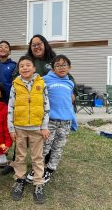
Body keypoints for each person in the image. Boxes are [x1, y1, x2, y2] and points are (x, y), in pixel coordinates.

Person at [2, 34, 76, 175]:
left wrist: (74, 93)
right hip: (25, 105)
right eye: (33, 44)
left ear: (45, 44)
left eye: (39, 43)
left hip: (47, 108)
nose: (36, 46)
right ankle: (15, 163)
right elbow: (16, 76)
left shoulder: (54, 60)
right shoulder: (27, 61)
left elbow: (68, 77)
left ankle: (45, 165)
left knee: (45, 138)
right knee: (21, 137)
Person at [8, 56, 50, 204]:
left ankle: (38, 183)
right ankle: (19, 180)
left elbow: (46, 106)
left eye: (28, 65)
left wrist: (44, 126)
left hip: (37, 129)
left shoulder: (41, 84)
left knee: (37, 157)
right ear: (19, 69)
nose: (25, 68)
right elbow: (10, 108)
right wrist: (11, 128)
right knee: (20, 156)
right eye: (21, 66)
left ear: (34, 68)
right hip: (19, 128)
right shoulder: (15, 85)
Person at [41, 55, 77, 183]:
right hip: (50, 120)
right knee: (44, 146)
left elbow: (69, 101)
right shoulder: (44, 80)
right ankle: (38, 168)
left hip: (65, 122)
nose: (61, 67)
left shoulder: (70, 83)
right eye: (58, 65)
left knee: (58, 147)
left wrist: (73, 119)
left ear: (69, 67)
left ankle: (50, 170)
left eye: (64, 65)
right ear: (53, 68)